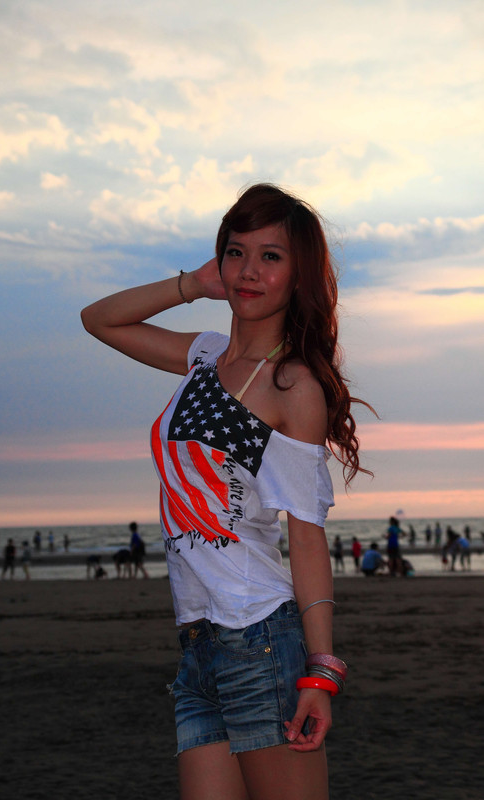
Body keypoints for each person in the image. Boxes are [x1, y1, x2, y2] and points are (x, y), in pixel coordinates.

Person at [81, 183, 373, 800]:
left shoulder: (293, 387)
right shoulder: (203, 358)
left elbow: (306, 539)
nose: (249, 271)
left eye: (271, 256)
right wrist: (193, 284)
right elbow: (98, 319)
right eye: (237, 252)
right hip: (198, 646)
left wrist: (322, 672)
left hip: (260, 639)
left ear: (299, 275)